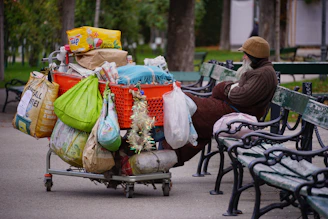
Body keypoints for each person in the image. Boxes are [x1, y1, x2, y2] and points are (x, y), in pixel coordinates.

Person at [163, 36, 278, 167]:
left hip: (236, 116)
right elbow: (238, 92)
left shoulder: (263, 74)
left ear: (254, 56)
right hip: (231, 110)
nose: (244, 57)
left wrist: (224, 87)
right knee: (187, 104)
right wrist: (227, 88)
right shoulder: (259, 71)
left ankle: (167, 156)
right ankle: (169, 156)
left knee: (189, 110)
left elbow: (240, 96)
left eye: (246, 54)